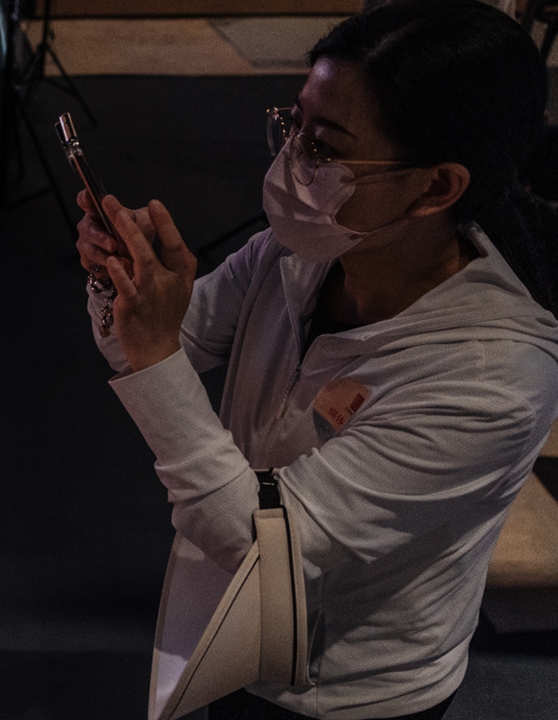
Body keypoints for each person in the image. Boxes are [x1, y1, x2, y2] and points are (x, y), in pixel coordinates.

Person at [75, 1, 558, 718]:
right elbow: (173, 338)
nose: (291, 161)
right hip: (233, 635)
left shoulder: (494, 379)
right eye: (293, 124)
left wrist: (152, 352)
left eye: (326, 148)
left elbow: (262, 541)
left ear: (437, 186)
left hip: (348, 691)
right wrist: (124, 283)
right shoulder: (309, 246)